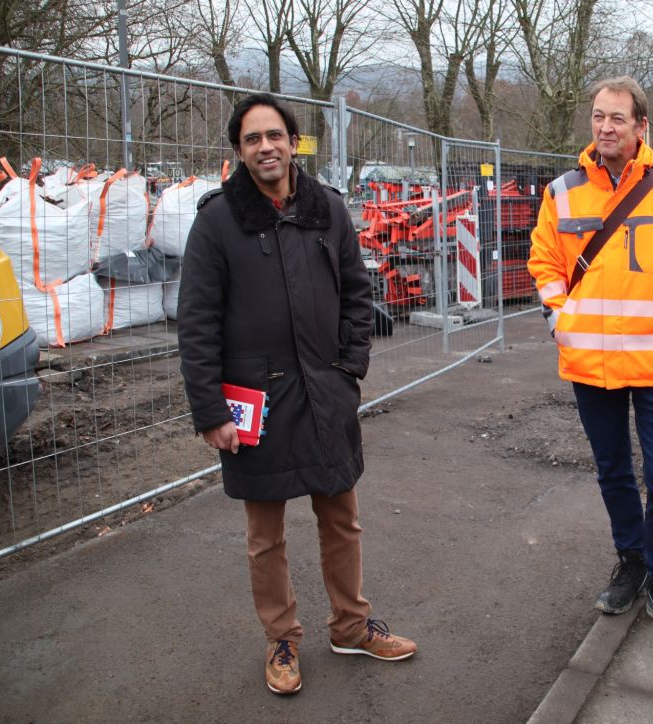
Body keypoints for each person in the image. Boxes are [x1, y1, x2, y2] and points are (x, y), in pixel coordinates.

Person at [177, 93, 416, 696]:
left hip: (325, 392)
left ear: (293, 142)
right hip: (254, 404)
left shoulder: (327, 210)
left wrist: (349, 368)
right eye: (253, 138)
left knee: (342, 519)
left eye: (276, 135)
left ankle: (352, 625)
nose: (266, 147)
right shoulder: (217, 222)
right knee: (266, 534)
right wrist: (210, 411)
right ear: (239, 150)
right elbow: (197, 323)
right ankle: (281, 638)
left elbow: (358, 294)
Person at [528, 76, 653, 646]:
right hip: (592, 364)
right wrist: (562, 321)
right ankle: (631, 561)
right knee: (613, 473)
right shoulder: (562, 193)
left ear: (641, 128)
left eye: (617, 118)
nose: (605, 127)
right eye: (598, 117)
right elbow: (543, 263)